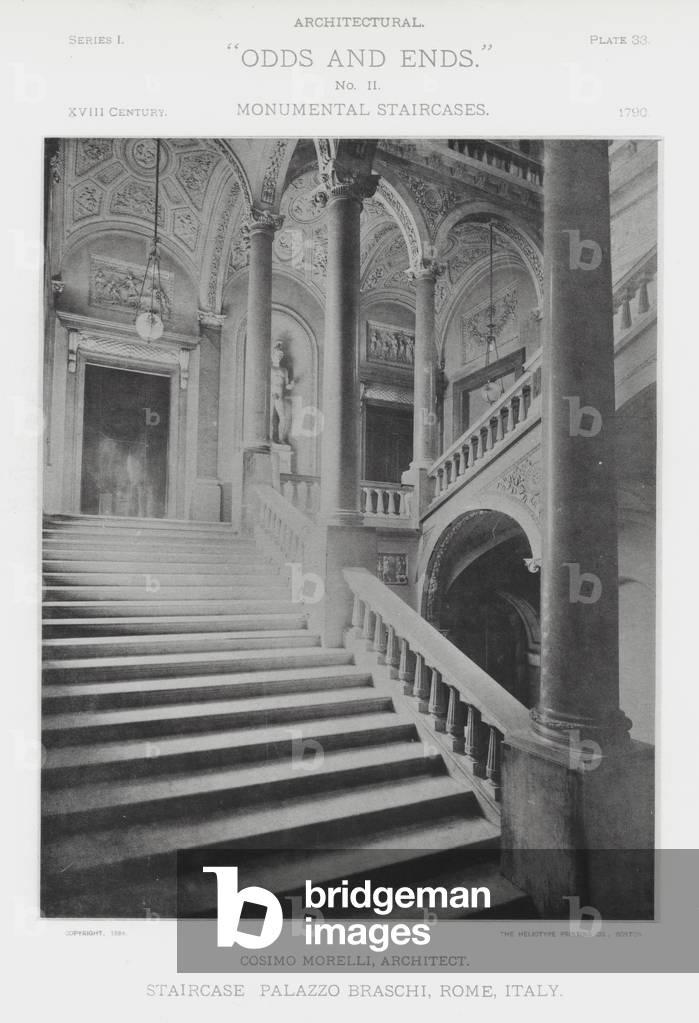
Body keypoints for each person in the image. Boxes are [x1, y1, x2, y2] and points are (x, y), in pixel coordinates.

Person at [270, 342, 294, 444]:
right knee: (270, 417)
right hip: (272, 395)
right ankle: (271, 438)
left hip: (280, 396)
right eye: (277, 355)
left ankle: (281, 438)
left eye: (280, 355)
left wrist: (291, 385)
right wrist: (272, 393)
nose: (279, 357)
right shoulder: (270, 369)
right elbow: (266, 383)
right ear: (273, 355)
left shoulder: (284, 370)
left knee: (283, 417)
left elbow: (287, 385)